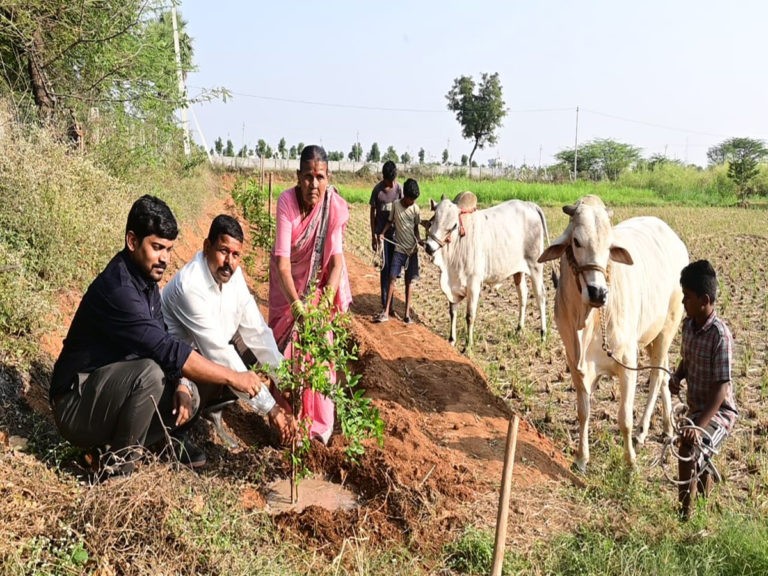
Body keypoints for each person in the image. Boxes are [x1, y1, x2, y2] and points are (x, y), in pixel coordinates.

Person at [49, 195, 269, 477]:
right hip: (75, 404)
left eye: (168, 249)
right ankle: (119, 470)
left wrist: (180, 384)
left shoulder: (146, 280)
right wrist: (233, 376)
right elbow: (164, 349)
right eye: (156, 247)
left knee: (190, 393)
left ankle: (129, 445)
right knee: (150, 374)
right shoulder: (119, 290)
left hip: (106, 390)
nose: (164, 258)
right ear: (132, 241)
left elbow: (163, 337)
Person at [161, 214, 294, 448]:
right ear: (206, 247)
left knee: (247, 355)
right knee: (216, 375)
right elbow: (218, 353)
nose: (229, 262)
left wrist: (284, 380)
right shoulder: (190, 286)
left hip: (207, 349)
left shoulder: (234, 276)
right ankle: (174, 436)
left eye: (235, 255)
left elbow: (258, 331)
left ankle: (212, 407)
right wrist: (270, 408)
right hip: (173, 364)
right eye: (223, 251)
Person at [268, 145, 352, 444]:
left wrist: (323, 304)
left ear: (327, 178)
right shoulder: (286, 202)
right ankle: (288, 422)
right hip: (287, 289)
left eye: (319, 177)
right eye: (307, 177)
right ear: (298, 177)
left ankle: (318, 428)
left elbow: (337, 260)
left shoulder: (333, 206)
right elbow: (281, 260)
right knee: (286, 355)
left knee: (318, 356)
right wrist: (297, 307)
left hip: (316, 293)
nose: (313, 185)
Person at [668, 259, 738, 519]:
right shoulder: (689, 326)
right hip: (697, 410)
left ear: (704, 300)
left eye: (687, 297)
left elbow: (721, 389)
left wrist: (698, 427)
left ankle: (684, 515)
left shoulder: (720, 336)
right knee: (700, 459)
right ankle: (703, 506)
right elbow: (687, 360)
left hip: (719, 414)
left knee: (688, 449)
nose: (683, 302)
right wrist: (677, 376)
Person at [374, 178, 422, 325]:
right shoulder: (396, 205)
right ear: (404, 196)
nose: (412, 202)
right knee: (392, 278)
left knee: (409, 282)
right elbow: (390, 221)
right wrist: (382, 233)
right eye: (410, 199)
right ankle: (386, 312)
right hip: (399, 250)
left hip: (412, 251)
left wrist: (419, 240)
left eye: (414, 200)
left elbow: (416, 228)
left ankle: (407, 315)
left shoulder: (416, 209)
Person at [369, 160, 402, 317]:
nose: (392, 183)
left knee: (393, 272)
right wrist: (373, 236)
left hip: (396, 236)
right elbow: (372, 213)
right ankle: (385, 304)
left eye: (394, 180)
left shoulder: (399, 189)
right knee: (385, 269)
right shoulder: (377, 191)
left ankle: (391, 305)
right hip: (382, 237)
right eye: (389, 181)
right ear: (384, 178)